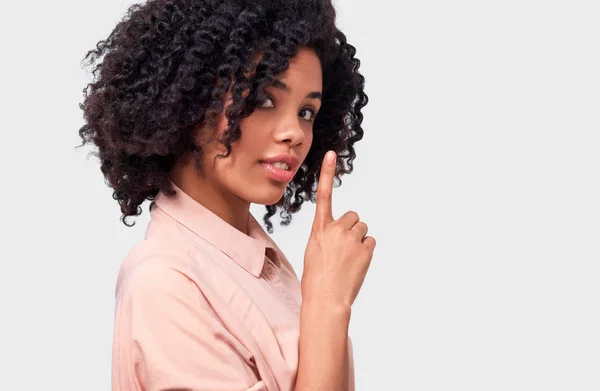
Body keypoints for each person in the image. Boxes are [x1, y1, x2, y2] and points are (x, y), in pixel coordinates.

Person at [78, 0, 376, 389]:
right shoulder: (167, 284)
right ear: (190, 100)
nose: (296, 133)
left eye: (307, 111)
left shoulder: (258, 265)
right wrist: (327, 305)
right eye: (264, 101)